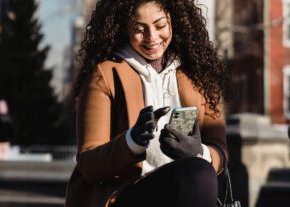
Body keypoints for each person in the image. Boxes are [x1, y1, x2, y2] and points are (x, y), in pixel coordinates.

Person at [65, 0, 229, 206]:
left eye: (160, 26)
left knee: (198, 171)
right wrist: (131, 141)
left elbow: (220, 151)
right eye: (139, 29)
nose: (152, 37)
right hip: (127, 194)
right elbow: (88, 165)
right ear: (123, 27)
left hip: (189, 187)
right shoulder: (105, 75)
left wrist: (199, 152)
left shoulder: (198, 75)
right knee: (197, 174)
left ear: (173, 20)